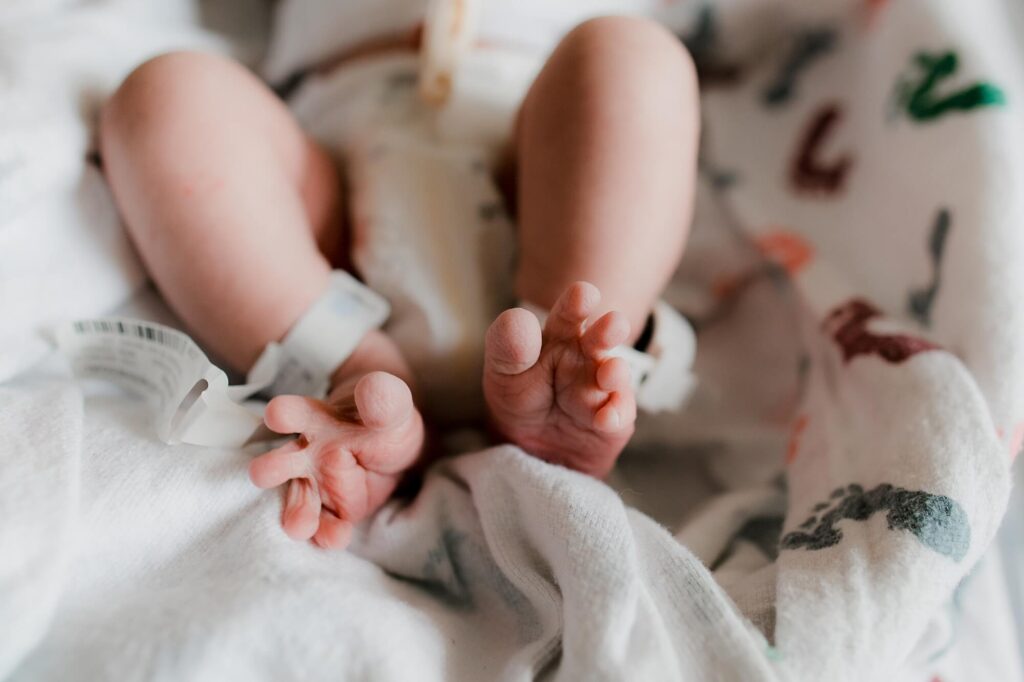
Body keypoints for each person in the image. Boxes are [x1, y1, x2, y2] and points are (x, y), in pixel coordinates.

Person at [98, 14, 699, 549]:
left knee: (634, 57)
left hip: (539, 167)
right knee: (167, 95)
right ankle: (350, 375)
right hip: (329, 213)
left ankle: (573, 363)